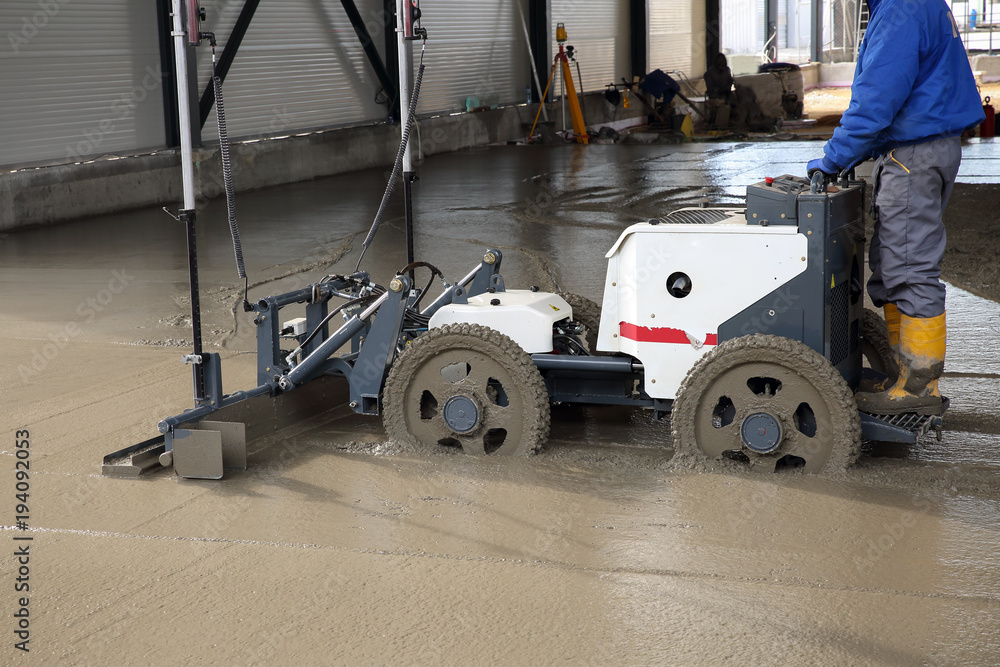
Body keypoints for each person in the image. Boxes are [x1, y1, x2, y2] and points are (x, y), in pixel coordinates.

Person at [808, 0, 985, 416]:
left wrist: (833, 158)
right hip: (921, 148)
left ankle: (919, 387)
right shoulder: (917, 5)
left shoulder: (901, 10)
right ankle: (903, 375)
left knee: (909, 268)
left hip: (915, 154)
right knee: (891, 267)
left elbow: (877, 100)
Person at [703, 53, 735, 127]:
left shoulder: (727, 70)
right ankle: (717, 122)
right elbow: (710, 88)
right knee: (721, 102)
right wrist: (720, 90)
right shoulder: (710, 72)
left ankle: (731, 120)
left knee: (735, 100)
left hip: (726, 92)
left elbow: (730, 81)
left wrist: (727, 87)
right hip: (715, 94)